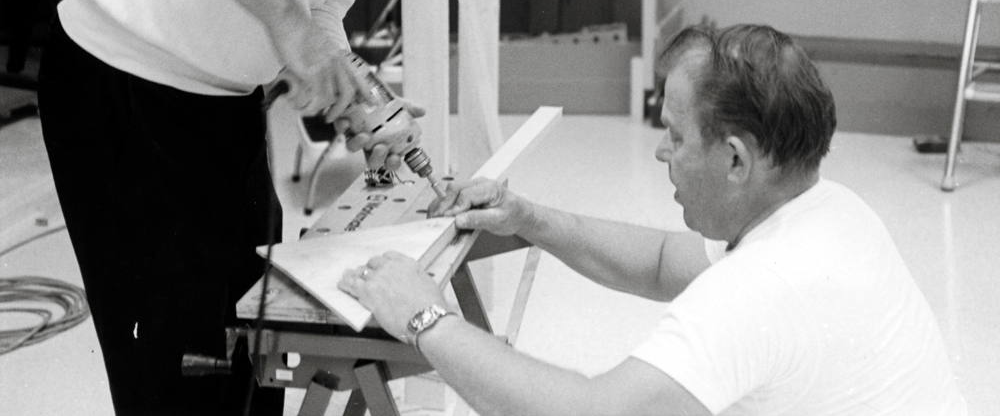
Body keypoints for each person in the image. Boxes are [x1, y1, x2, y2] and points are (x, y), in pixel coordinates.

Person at [37, 0, 577, 416]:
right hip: (125, 93)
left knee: (242, 341)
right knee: (175, 367)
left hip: (216, 110)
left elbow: (318, 4)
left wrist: (360, 94)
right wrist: (289, 28)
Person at [341, 23, 968, 416]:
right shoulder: (830, 209)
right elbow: (669, 261)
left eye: (674, 135)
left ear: (735, 159)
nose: (661, 152)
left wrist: (426, 319)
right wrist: (528, 219)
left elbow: (590, 413)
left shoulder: (761, 291)